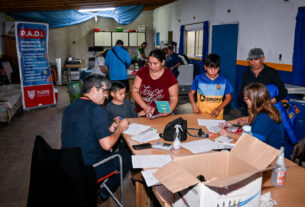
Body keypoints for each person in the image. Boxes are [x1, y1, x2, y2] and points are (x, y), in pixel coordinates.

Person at [61, 74, 131, 200]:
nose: (106, 95)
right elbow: (107, 145)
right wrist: (120, 128)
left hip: (69, 165)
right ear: (94, 90)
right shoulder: (96, 110)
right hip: (89, 169)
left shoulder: (70, 107)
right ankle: (104, 193)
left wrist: (113, 127)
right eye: (104, 91)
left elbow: (88, 131)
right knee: (128, 156)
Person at [220, 82, 285, 150]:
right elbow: (246, 119)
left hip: (270, 154)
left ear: (255, 99)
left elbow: (252, 141)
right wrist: (229, 123)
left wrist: (229, 134)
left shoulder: (264, 117)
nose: (244, 100)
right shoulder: (265, 109)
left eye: (247, 99)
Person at [132, 48, 179, 119]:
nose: (152, 66)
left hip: (161, 115)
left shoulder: (169, 76)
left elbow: (173, 98)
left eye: (155, 63)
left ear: (162, 62)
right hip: (143, 113)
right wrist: (145, 106)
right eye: (150, 63)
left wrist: (169, 110)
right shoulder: (142, 72)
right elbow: (135, 91)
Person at [239, 48, 288, 114]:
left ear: (262, 59)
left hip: (266, 111)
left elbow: (283, 92)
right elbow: (242, 91)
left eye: (256, 59)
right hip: (249, 110)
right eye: (250, 60)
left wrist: (267, 104)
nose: (253, 63)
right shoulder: (246, 73)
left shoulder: (271, 73)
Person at [188, 54, 233, 119]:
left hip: (217, 115)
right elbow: (191, 93)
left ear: (219, 67)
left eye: (216, 68)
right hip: (201, 114)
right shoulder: (198, 78)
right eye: (210, 68)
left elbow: (229, 97)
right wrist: (194, 106)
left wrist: (218, 109)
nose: (213, 72)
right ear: (205, 67)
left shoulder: (224, 81)